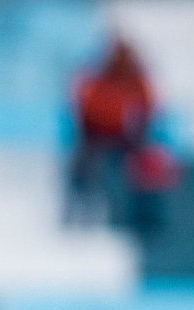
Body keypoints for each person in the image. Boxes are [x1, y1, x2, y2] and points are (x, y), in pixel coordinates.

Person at [66, 35, 172, 236]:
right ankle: (80, 209)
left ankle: (147, 215)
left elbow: (150, 107)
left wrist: (138, 127)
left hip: (127, 138)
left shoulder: (137, 81)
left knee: (149, 161)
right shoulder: (97, 78)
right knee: (81, 162)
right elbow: (84, 106)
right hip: (95, 136)